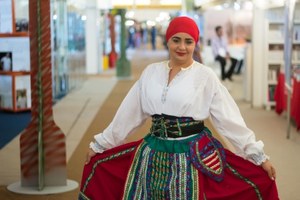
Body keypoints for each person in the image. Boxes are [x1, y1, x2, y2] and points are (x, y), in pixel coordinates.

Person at [79, 16, 279, 200]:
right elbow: (129, 114)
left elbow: (230, 120)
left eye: (188, 41)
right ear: (168, 41)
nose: (182, 47)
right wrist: (102, 144)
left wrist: (256, 155)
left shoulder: (205, 76)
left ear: (195, 44)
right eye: (176, 40)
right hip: (152, 152)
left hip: (191, 154)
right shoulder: (151, 72)